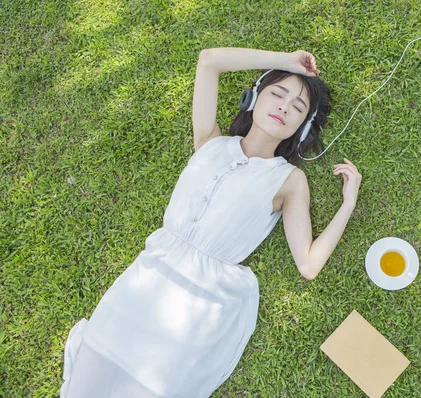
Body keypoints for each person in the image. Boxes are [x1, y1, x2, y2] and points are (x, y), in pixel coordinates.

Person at [59, 47, 362, 397]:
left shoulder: (289, 181)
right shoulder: (209, 140)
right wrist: (283, 62)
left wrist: (348, 204)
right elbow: (209, 61)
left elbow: (309, 265)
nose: (283, 106)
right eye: (277, 93)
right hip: (144, 283)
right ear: (255, 97)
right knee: (89, 378)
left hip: (196, 308)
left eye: (297, 107)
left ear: (302, 126)